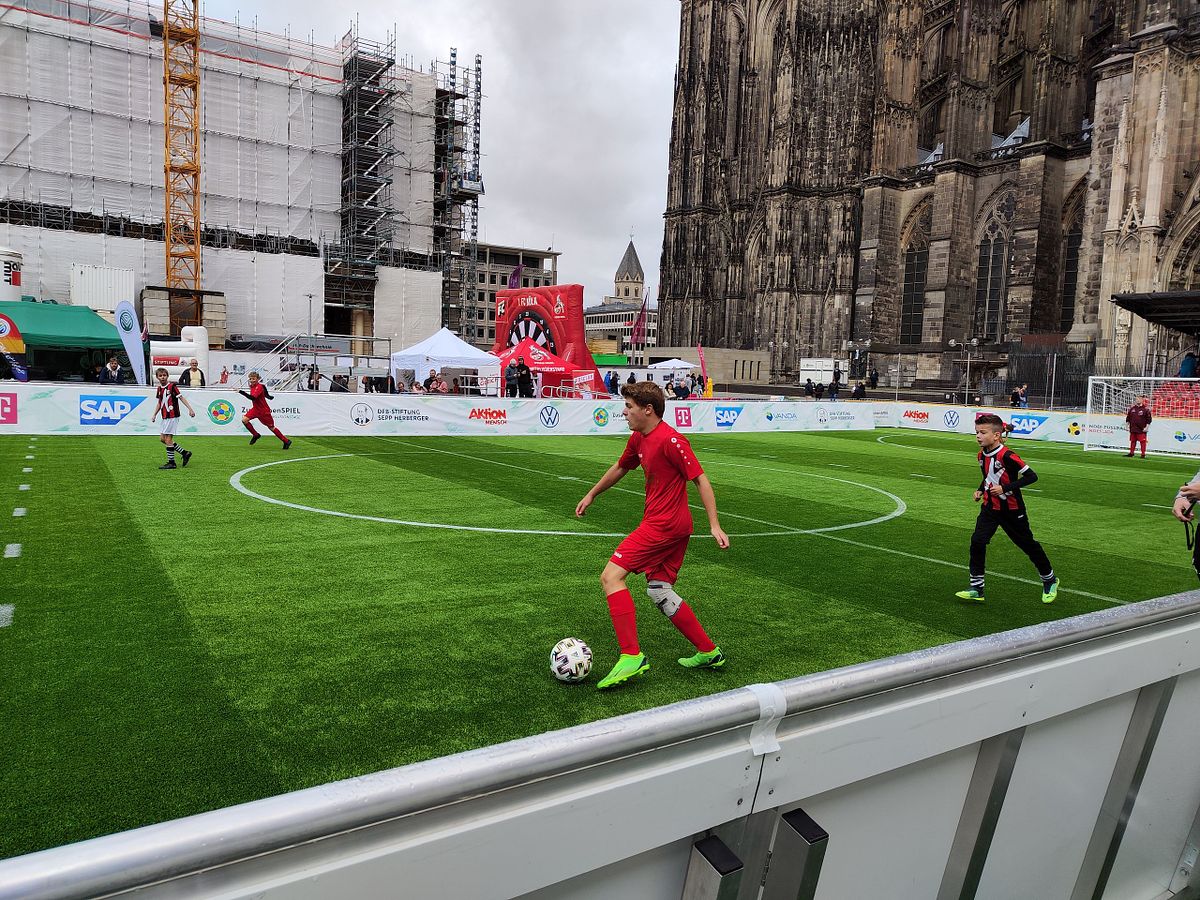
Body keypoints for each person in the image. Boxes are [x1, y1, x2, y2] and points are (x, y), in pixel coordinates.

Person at [575, 381, 729, 690]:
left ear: (648, 410)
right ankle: (708, 651)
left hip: (664, 525)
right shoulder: (638, 438)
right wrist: (592, 494)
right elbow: (621, 467)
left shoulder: (672, 440)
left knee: (611, 577)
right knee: (659, 590)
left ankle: (631, 656)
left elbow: (701, 480)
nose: (624, 412)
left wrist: (714, 524)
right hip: (673, 526)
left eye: (629, 407)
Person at [955, 413, 1059, 604]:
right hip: (989, 507)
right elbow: (988, 477)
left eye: (982, 432)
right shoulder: (981, 455)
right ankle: (977, 588)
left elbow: (1032, 476)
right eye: (977, 432)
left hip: (1012, 509)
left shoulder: (1008, 456)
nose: (978, 436)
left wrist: (1005, 488)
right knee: (977, 541)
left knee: (1027, 544)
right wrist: (980, 490)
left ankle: (1049, 579)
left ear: (996, 435)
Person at [150, 367, 195, 470]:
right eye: (160, 376)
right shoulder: (159, 389)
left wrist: (190, 409)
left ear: (167, 376)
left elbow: (181, 398)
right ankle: (185, 453)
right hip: (165, 416)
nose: (162, 377)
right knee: (162, 439)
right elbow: (160, 403)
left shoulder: (172, 386)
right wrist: (154, 414)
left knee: (168, 439)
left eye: (164, 375)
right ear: (157, 377)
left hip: (173, 416)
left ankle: (172, 463)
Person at [239, 371, 291, 449]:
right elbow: (265, 392)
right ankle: (256, 435)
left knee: (271, 427)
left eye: (253, 379)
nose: (252, 380)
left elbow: (253, 398)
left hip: (263, 411)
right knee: (244, 420)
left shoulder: (259, 387)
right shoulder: (253, 386)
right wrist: (269, 397)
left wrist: (241, 392)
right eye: (250, 379)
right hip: (255, 409)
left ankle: (286, 441)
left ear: (258, 379)